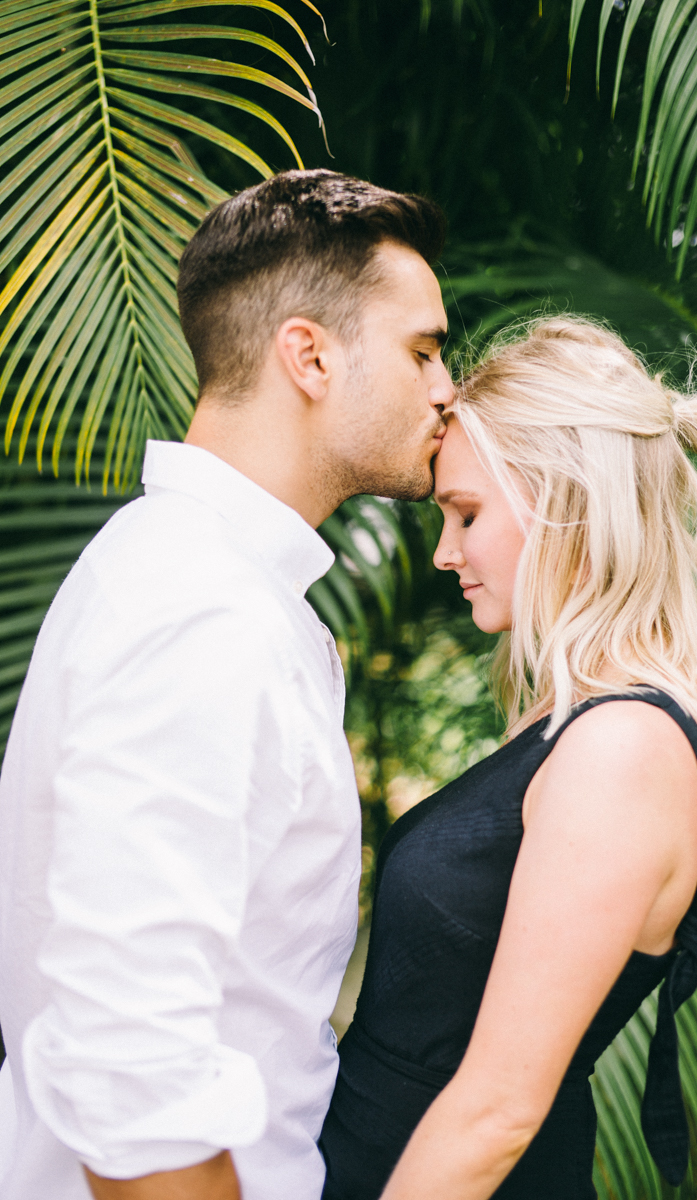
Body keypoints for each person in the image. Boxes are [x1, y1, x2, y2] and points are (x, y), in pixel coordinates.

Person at [0, 169, 453, 1200]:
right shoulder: (198, 606)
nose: (445, 386)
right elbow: (129, 1059)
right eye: (421, 350)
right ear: (308, 355)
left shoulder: (206, 583)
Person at [319, 315, 697, 1200]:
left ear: (569, 500)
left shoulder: (624, 748)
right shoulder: (568, 721)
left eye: (466, 513)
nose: (444, 553)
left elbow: (499, 1109)